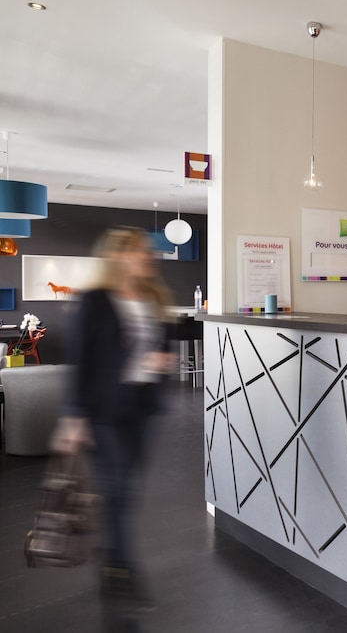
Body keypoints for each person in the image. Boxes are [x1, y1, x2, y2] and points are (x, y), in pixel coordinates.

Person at [50, 227, 176, 613]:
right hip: (103, 410)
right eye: (139, 251)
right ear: (117, 255)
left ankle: (113, 562)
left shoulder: (154, 298)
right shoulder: (94, 300)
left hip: (143, 408)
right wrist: (73, 416)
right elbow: (80, 359)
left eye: (148, 251)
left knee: (126, 491)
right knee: (118, 490)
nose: (148, 257)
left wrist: (160, 362)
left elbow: (158, 348)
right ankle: (122, 571)